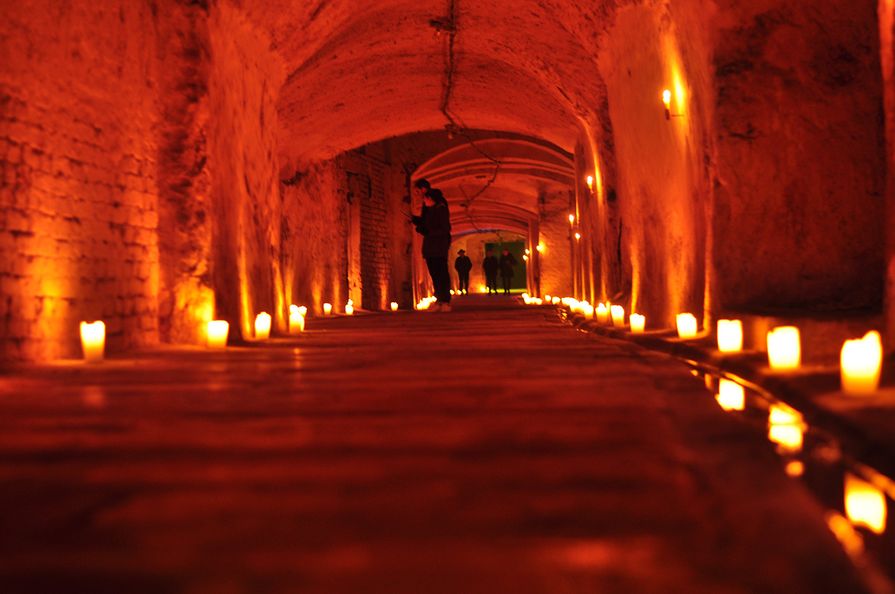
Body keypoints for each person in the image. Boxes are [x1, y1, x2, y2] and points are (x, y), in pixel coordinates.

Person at [411, 184, 452, 311]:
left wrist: (427, 231)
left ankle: (445, 301)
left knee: (441, 274)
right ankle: (439, 300)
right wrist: (418, 223)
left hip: (438, 247)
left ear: (432, 199)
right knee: (434, 275)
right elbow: (427, 224)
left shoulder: (441, 210)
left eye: (426, 199)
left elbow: (444, 229)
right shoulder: (430, 211)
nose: (424, 201)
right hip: (430, 248)